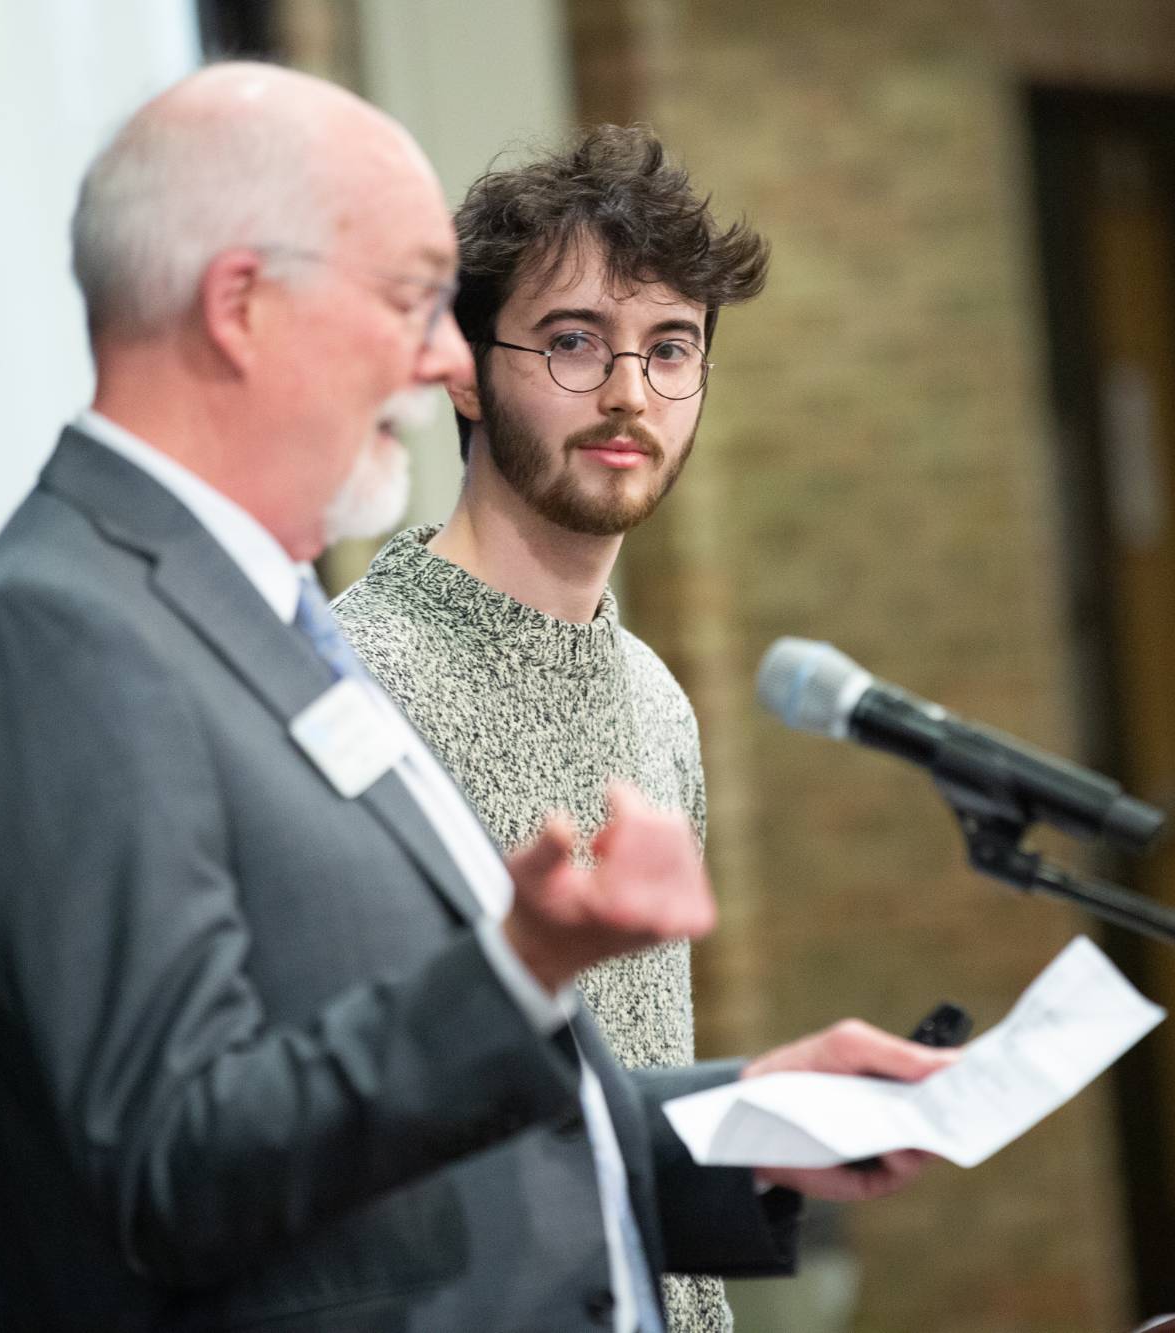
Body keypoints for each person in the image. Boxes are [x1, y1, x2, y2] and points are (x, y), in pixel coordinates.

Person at [0, 63, 950, 1332]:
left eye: (669, 348)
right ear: (242, 306)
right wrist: (519, 969)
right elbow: (174, 1163)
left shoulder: (254, 618)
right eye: (408, 298)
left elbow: (479, 1130)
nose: (443, 351)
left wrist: (750, 1118)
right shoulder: (61, 638)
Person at [331, 125, 763, 1333]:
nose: (628, 391)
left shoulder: (657, 698)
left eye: (668, 348)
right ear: (463, 370)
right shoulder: (358, 691)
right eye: (574, 341)